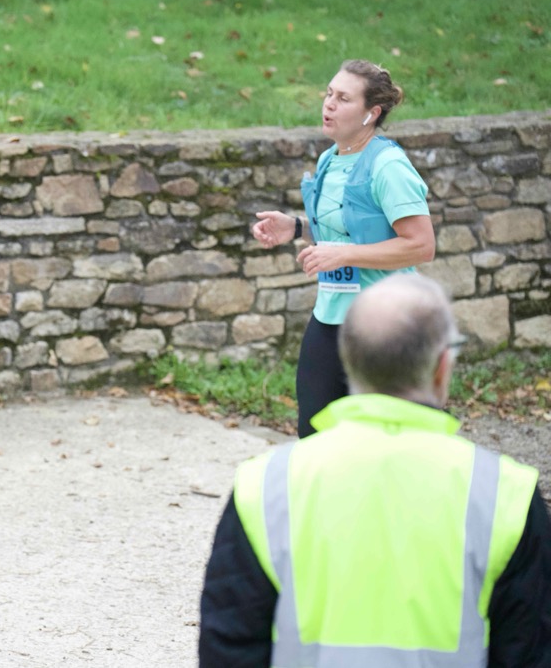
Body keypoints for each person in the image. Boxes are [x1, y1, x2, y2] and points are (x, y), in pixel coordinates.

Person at [199, 273, 551, 667]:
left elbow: (228, 649)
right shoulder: (508, 496)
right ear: (442, 367)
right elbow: (531, 652)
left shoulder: (264, 488)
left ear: (346, 360)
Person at [252, 59, 435, 436]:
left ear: (372, 113)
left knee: (385, 440)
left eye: (343, 98)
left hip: (386, 325)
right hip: (330, 318)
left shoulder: (388, 166)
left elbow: (421, 245)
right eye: (329, 94)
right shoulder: (329, 159)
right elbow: (346, 231)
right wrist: (297, 227)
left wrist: (345, 255)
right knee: (314, 435)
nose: (329, 104)